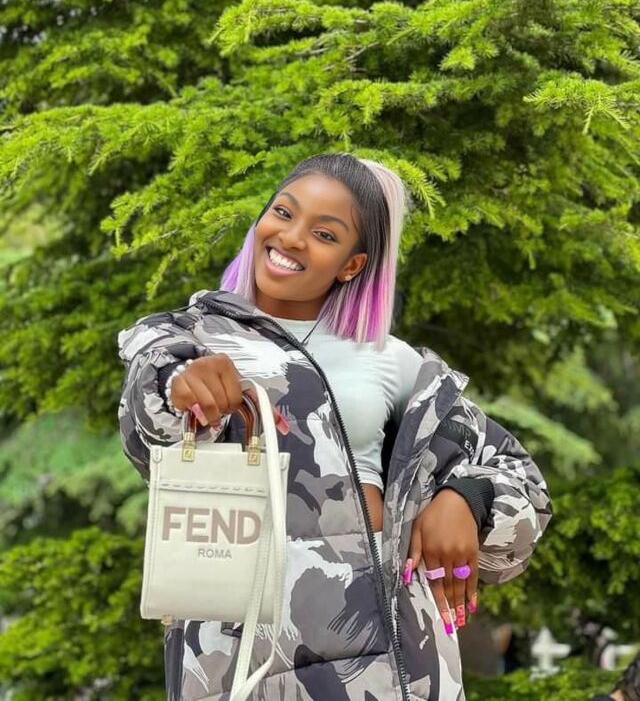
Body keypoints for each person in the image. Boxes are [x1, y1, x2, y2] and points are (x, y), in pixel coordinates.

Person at [117, 153, 552, 701]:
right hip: (245, 655)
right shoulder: (183, 341)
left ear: (352, 264)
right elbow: (147, 425)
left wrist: (467, 497)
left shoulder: (393, 361)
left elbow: (520, 478)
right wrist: (182, 386)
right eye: (283, 212)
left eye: (324, 234)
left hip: (401, 656)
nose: (292, 237)